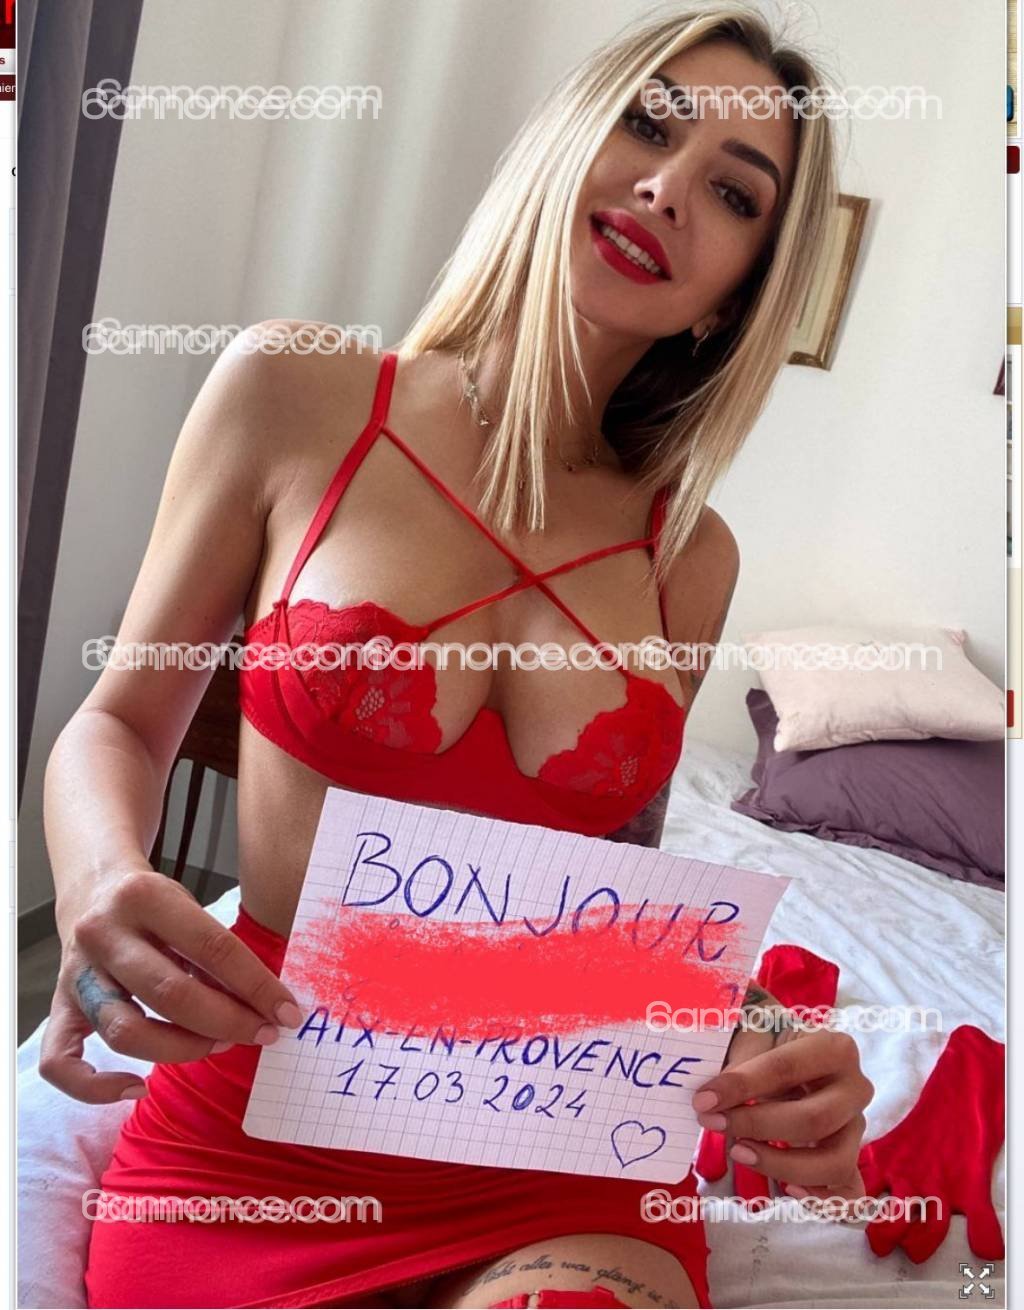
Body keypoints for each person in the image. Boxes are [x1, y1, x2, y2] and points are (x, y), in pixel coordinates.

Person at [40, 5, 872, 1307]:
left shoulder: (690, 555)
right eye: (648, 123)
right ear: (567, 139)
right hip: (261, 1117)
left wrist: (752, 1030)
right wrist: (100, 875)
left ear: (734, 299)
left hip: (542, 1147)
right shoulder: (293, 393)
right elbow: (122, 724)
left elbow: (611, 900)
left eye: (734, 193)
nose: (669, 187)